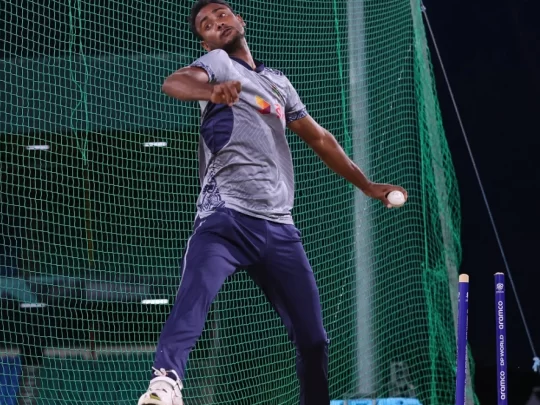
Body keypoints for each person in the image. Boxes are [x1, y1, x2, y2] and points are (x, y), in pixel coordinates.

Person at [136, 1, 408, 405]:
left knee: (314, 340)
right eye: (206, 25)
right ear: (205, 41)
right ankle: (165, 384)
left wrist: (367, 185)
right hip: (225, 219)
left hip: (279, 228)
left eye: (221, 14)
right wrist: (212, 91)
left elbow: (319, 138)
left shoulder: (278, 82)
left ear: (239, 20)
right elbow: (174, 82)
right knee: (194, 298)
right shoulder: (218, 63)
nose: (216, 24)